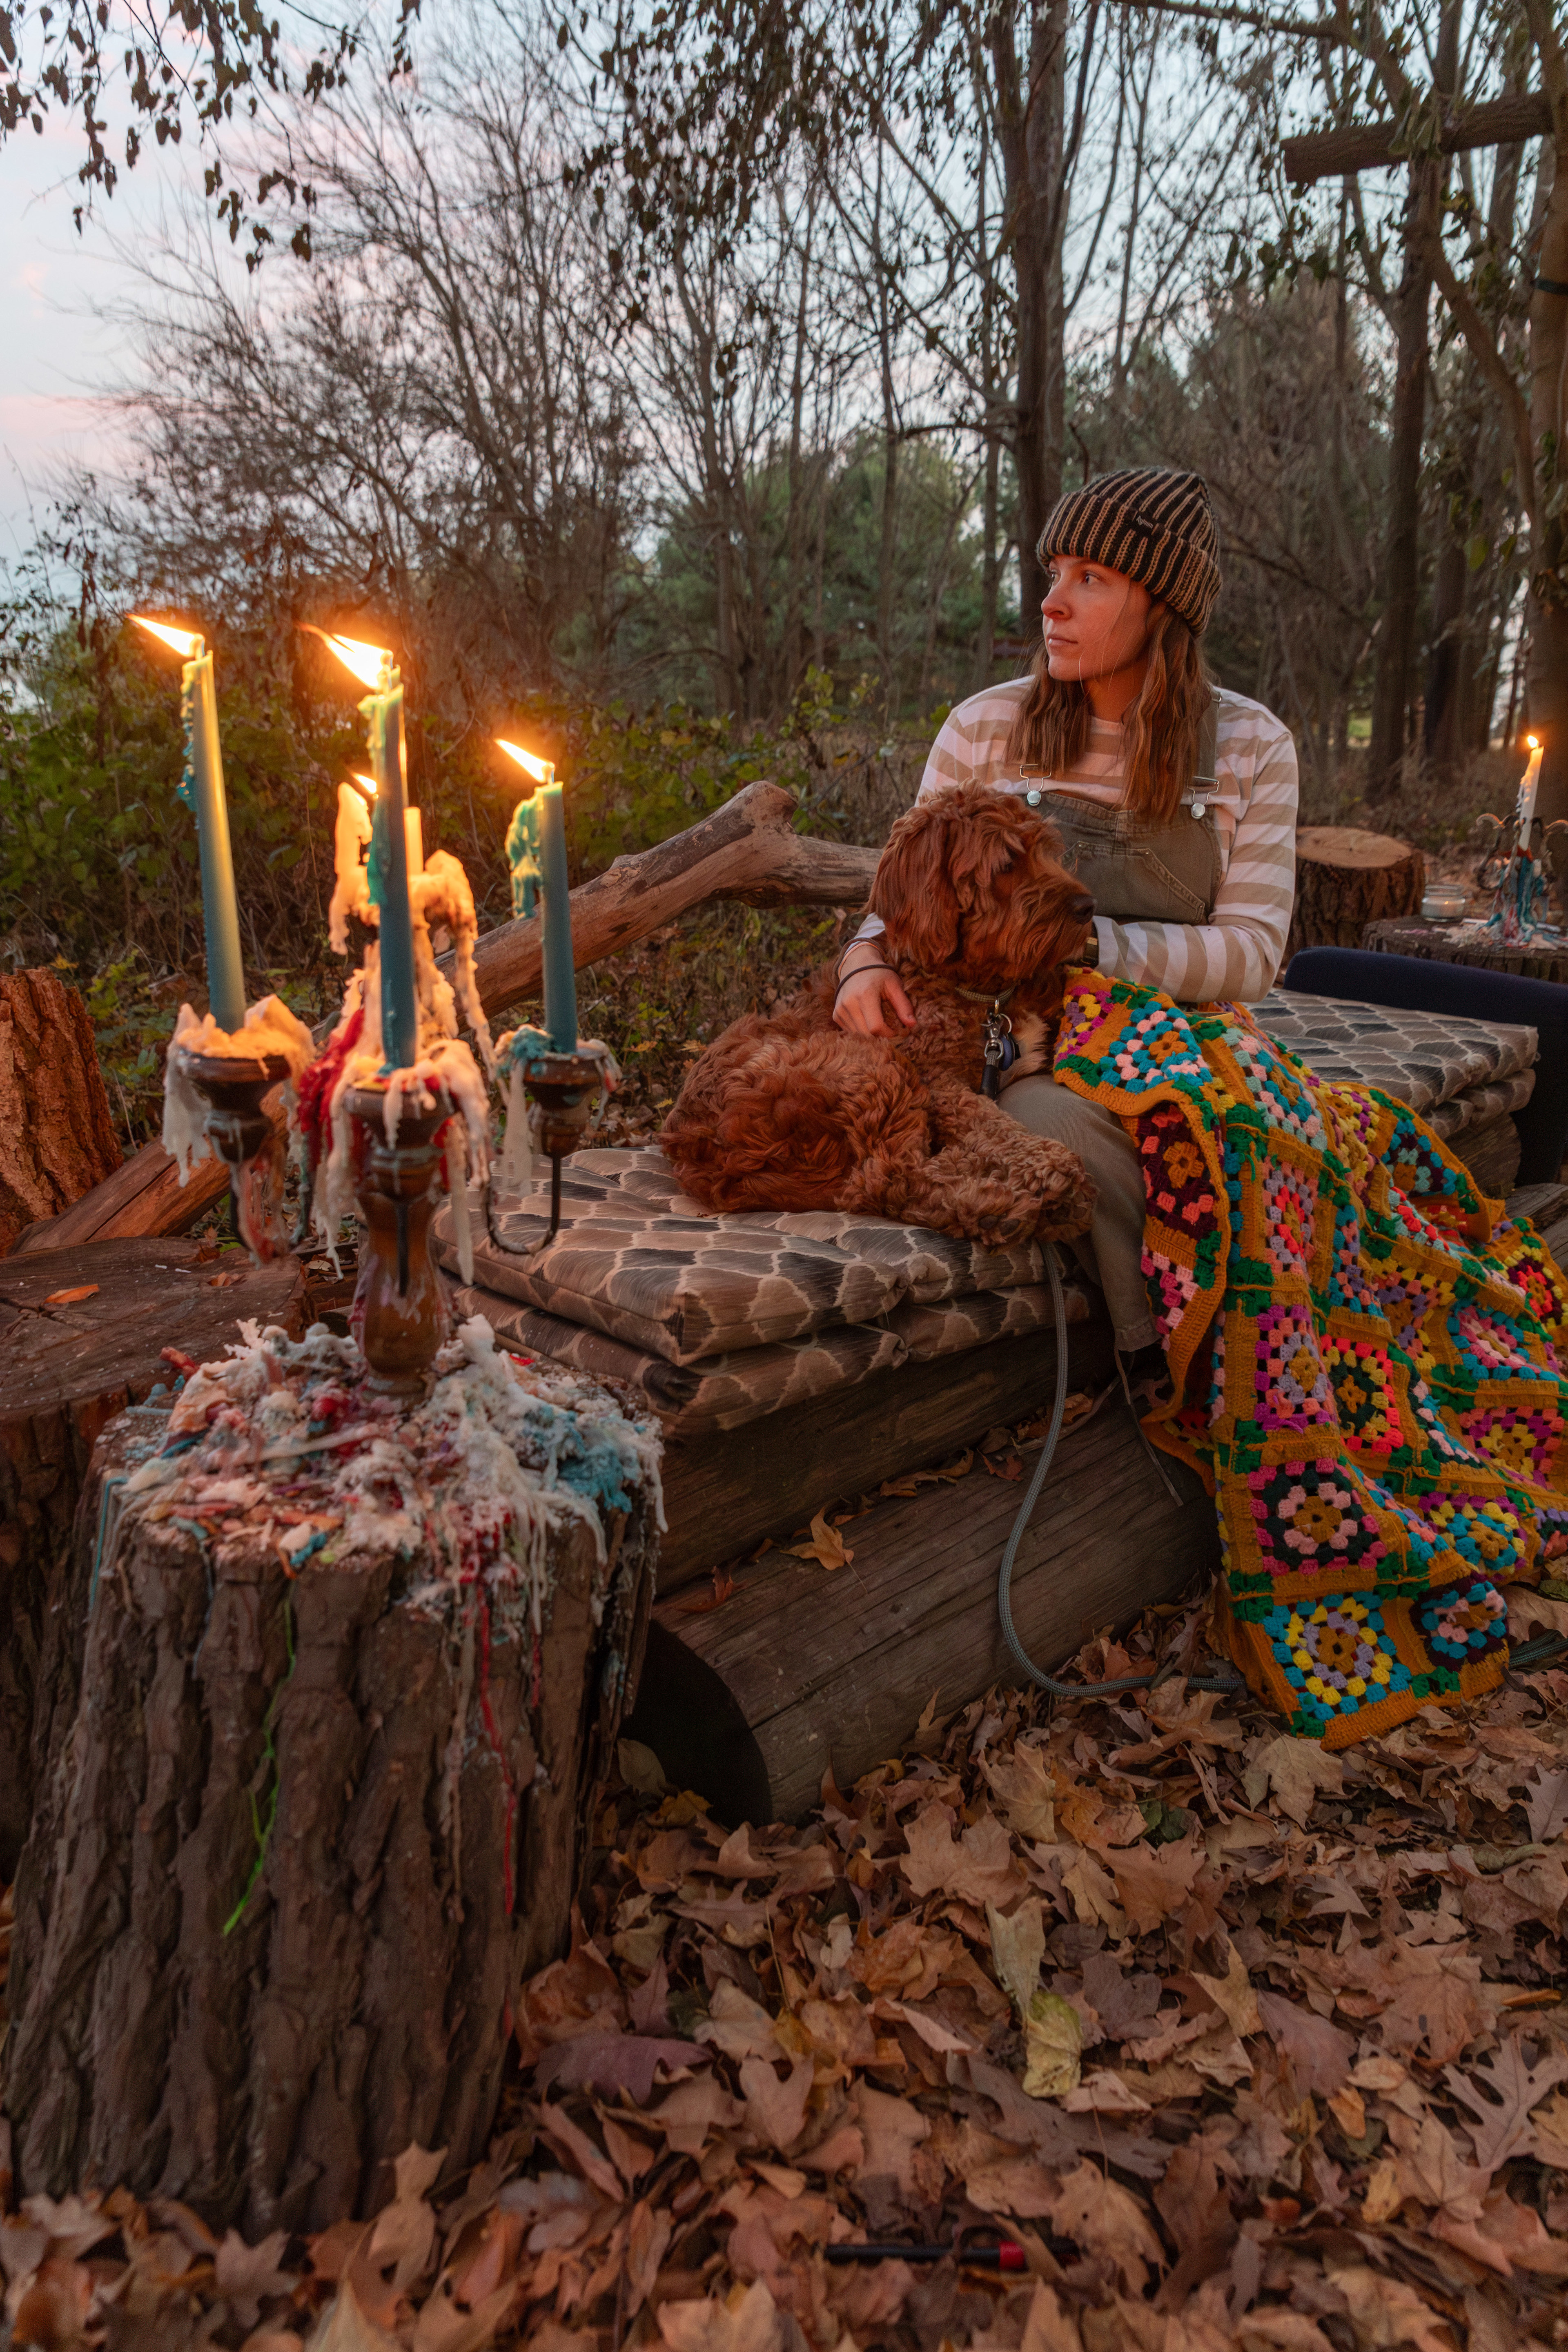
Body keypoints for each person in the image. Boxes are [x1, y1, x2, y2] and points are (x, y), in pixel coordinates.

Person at [832, 465, 1299, 1362]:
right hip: (1011, 1042)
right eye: (1055, 574)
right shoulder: (984, 727)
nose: (1053, 602)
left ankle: (1234, 1352)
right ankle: (1152, 1357)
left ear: (1163, 605)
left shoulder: (1252, 745)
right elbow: (909, 893)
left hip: (1176, 1035)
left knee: (1203, 1139)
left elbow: (1251, 954)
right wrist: (865, 958)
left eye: (1093, 578)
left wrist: (1081, 944)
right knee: (1054, 1127)